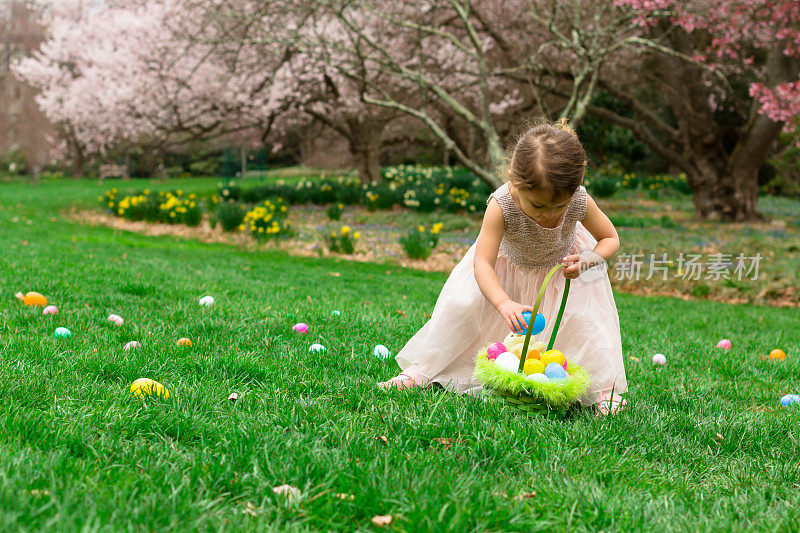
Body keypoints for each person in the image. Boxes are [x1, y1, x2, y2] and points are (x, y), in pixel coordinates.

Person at [378, 118, 628, 416]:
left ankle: (602, 391)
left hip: (563, 274)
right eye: (538, 205)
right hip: (505, 273)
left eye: (558, 207)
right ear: (514, 179)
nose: (549, 215)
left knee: (588, 326)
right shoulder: (501, 205)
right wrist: (503, 302)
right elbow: (482, 262)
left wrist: (589, 260)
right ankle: (426, 370)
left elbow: (610, 239)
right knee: (462, 309)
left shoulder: (578, 200)